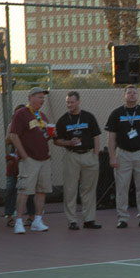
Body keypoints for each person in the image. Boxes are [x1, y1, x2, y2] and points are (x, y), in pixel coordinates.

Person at [105, 85, 140, 229]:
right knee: (122, 187)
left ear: (138, 96)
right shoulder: (116, 113)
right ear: (124, 95)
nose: (132, 95)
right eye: (129, 93)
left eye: (134, 93)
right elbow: (111, 137)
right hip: (123, 154)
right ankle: (122, 218)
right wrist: (112, 157)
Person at [54, 91, 102, 230]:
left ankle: (89, 219)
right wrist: (69, 143)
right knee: (70, 189)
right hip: (72, 156)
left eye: (72, 102)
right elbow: (56, 141)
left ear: (78, 102)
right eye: (67, 102)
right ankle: (72, 220)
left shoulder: (88, 117)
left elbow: (96, 136)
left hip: (89, 155)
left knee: (89, 189)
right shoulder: (63, 120)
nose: (69, 104)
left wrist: (96, 154)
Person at [8, 87, 52, 234]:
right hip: (30, 159)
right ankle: (19, 221)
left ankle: (37, 220)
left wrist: (51, 134)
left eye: (43, 97)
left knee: (42, 191)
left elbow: (44, 136)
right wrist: (24, 156)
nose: (42, 100)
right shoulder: (21, 114)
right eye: (39, 97)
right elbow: (13, 136)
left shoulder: (43, 116)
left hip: (44, 159)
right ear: (30, 97)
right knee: (24, 190)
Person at [3, 105, 35, 226]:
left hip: (27, 160)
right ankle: (9, 216)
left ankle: (31, 216)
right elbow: (7, 140)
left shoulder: (32, 124)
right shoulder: (12, 125)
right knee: (10, 188)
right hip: (14, 162)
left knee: (29, 188)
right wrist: (16, 136)